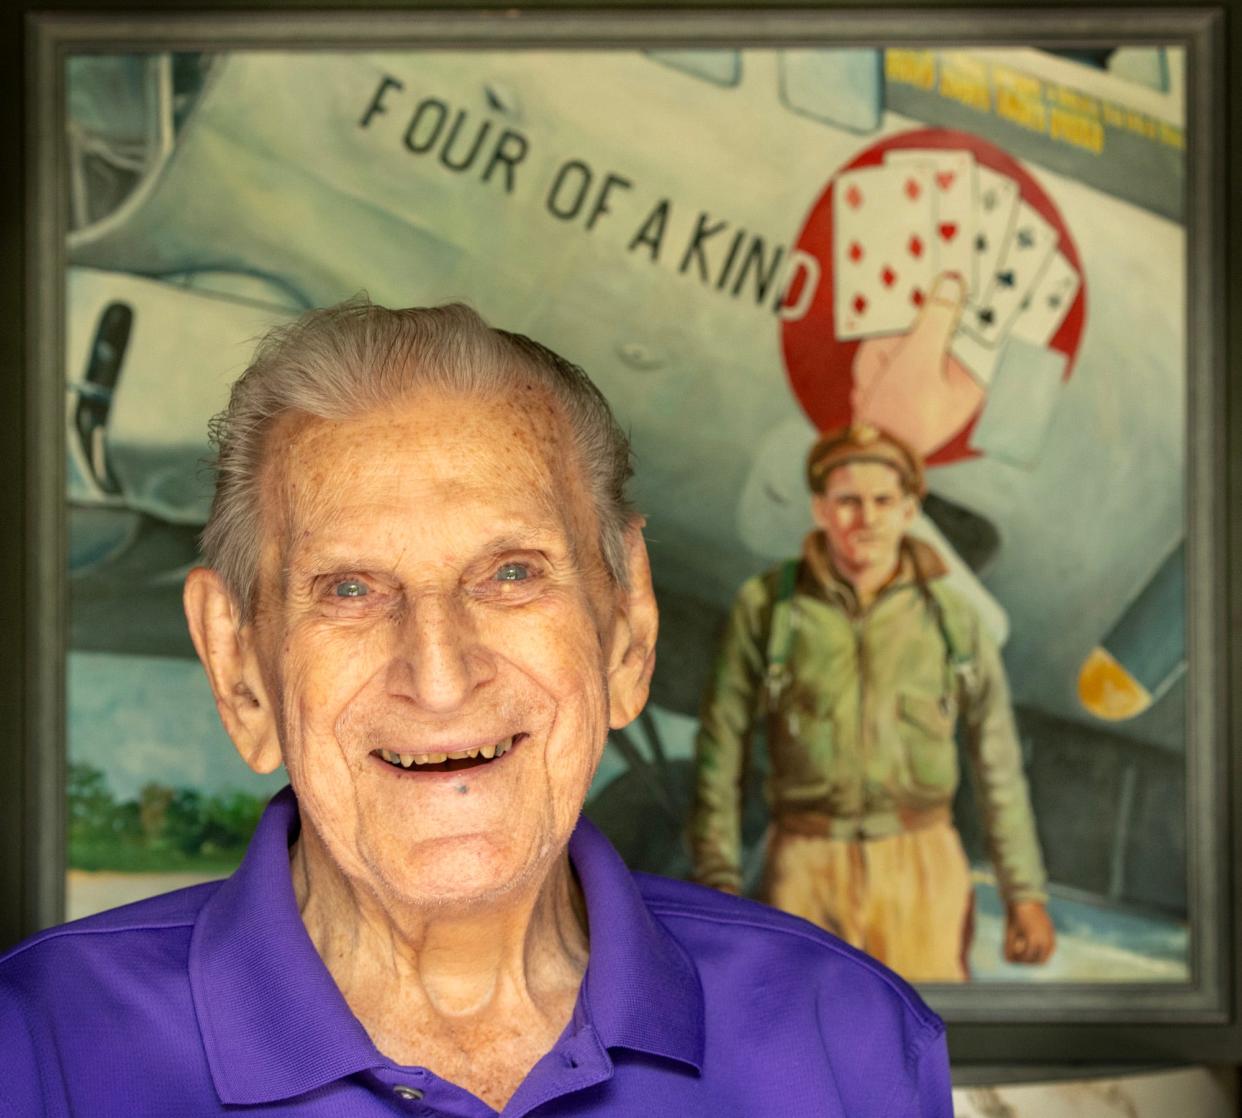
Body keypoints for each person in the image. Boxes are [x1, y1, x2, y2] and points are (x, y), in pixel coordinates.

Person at [1, 303, 951, 1116]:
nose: (441, 675)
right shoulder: (42, 1049)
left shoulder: (846, 1037)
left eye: (510, 574)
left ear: (627, 631)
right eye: (348, 590)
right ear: (239, 666)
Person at [691, 423, 1055, 982]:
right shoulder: (768, 608)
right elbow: (721, 750)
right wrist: (718, 881)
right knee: (798, 1045)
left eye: (884, 501)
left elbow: (998, 762)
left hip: (923, 868)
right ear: (819, 508)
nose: (866, 519)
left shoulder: (954, 620)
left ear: (910, 510)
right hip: (803, 867)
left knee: (923, 1047)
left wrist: (1024, 893)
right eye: (848, 501)